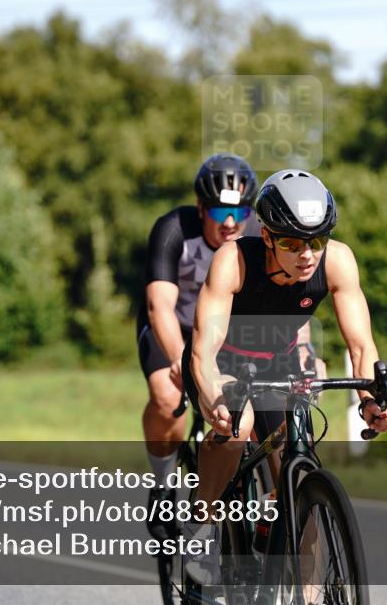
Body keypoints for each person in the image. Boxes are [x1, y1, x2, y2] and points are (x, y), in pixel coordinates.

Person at [182, 169, 387, 583]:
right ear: (266, 237)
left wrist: (371, 399)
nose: (307, 255)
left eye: (315, 241)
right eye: (291, 243)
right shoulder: (234, 260)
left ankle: (306, 582)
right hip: (223, 361)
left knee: (300, 474)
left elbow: (361, 346)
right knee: (237, 427)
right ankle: (202, 524)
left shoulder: (338, 261)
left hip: (278, 363)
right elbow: (205, 344)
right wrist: (211, 391)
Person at [138, 153, 259, 538]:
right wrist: (178, 359)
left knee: (254, 409)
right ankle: (164, 485)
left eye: (239, 212)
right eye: (220, 211)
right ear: (201, 207)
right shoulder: (173, 229)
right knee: (165, 395)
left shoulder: (258, 233)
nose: (229, 222)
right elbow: (159, 306)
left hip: (225, 331)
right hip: (173, 327)